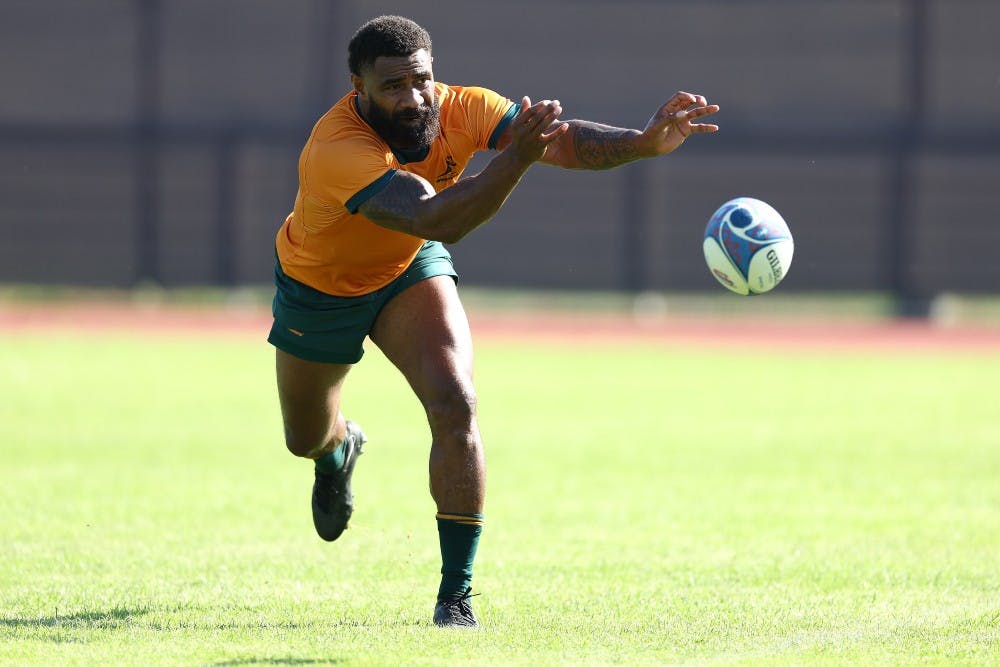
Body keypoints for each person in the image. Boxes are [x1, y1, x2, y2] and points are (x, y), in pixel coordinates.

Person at [268, 15, 720, 628]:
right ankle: (338, 450)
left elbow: (559, 142)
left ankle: (456, 597)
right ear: (359, 87)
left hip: (406, 269)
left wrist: (642, 141)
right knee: (304, 438)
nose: (413, 96)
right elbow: (439, 220)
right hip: (320, 288)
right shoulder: (336, 147)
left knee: (456, 402)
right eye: (393, 86)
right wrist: (518, 162)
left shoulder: (467, 107)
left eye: (421, 80)